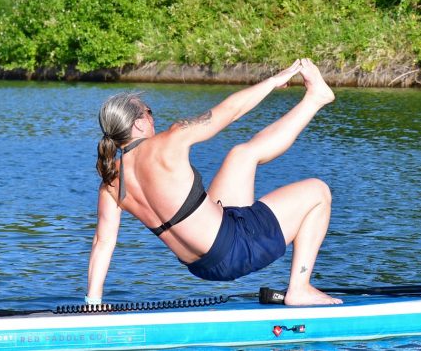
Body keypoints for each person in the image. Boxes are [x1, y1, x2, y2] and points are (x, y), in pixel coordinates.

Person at [86, 58, 342, 306]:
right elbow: (229, 111)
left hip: (202, 267)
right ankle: (299, 288)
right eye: (149, 112)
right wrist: (273, 81)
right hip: (236, 250)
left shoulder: (111, 182)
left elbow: (103, 242)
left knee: (242, 155)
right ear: (139, 123)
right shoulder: (169, 141)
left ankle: (314, 99)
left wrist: (93, 302)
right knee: (318, 192)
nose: (153, 118)